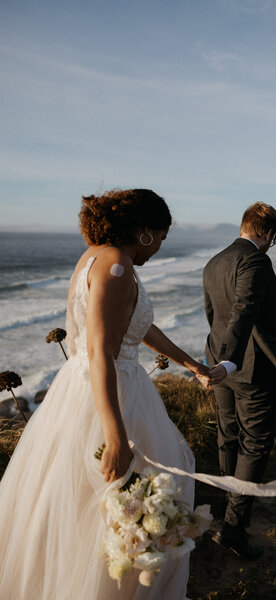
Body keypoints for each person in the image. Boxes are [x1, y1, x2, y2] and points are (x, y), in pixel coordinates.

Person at [0, 189, 210, 600]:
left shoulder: (96, 256)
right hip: (113, 394)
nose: (160, 250)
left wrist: (190, 364)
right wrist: (115, 436)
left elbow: (134, 327)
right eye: (162, 238)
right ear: (146, 233)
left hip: (79, 391)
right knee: (122, 504)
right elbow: (100, 349)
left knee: (85, 505)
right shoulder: (117, 265)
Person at [203, 202, 276, 559]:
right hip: (247, 368)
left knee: (229, 435)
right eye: (274, 238)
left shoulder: (214, 262)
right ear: (268, 233)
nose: (272, 245)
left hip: (219, 363)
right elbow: (244, 311)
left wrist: (219, 360)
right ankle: (234, 529)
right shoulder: (256, 261)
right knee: (254, 443)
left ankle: (231, 506)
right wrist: (231, 360)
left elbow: (214, 316)